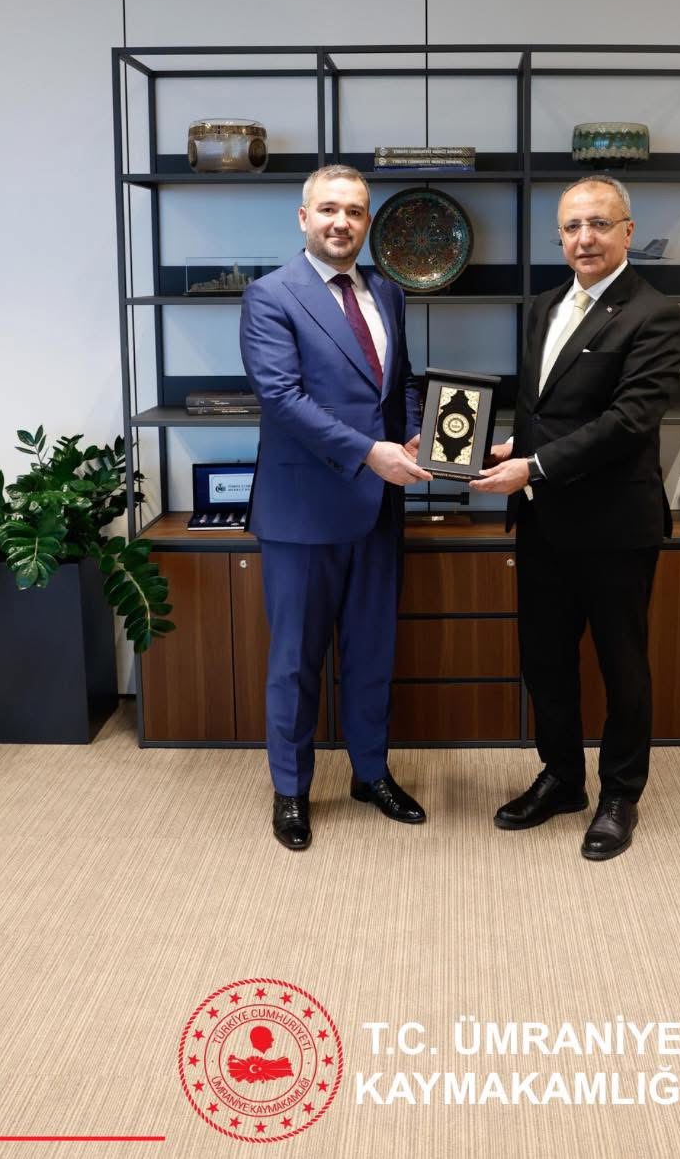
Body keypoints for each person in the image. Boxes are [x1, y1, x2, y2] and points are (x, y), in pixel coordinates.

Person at [471, 175, 680, 861]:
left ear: (628, 231)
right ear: (560, 236)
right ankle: (562, 778)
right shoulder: (544, 305)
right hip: (543, 523)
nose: (584, 238)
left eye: (599, 224)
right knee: (545, 660)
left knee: (623, 667)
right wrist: (514, 445)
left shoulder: (656, 315)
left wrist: (532, 466)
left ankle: (620, 794)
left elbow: (628, 422)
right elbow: (545, 408)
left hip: (614, 526)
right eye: (571, 227)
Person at [239, 164, 431, 851]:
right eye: (328, 209)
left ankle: (370, 774)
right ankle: (291, 791)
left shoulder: (388, 291)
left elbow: (401, 382)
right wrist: (370, 452)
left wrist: (414, 435)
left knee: (372, 652)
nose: (341, 222)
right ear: (303, 217)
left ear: (367, 221)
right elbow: (282, 399)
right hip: (303, 511)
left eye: (353, 211)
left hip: (378, 509)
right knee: (296, 661)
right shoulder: (270, 295)